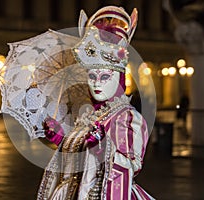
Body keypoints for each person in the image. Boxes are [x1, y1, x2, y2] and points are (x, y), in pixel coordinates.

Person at [37, 6, 154, 199]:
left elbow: (130, 165)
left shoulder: (127, 117)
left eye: (105, 76)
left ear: (120, 79)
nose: (97, 83)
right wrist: (62, 140)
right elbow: (77, 162)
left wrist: (103, 148)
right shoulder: (89, 116)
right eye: (92, 76)